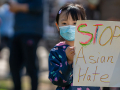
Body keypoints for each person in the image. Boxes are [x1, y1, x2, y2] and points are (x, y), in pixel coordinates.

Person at [48, 3, 100, 90]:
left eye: (75, 23)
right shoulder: (56, 51)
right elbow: (56, 80)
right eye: (64, 23)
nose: (69, 27)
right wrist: (67, 61)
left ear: (84, 25)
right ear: (57, 26)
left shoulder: (93, 49)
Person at [9, 0, 43, 90]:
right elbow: (11, 8)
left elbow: (37, 7)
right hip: (17, 32)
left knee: (30, 65)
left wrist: (17, 7)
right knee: (13, 63)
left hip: (31, 32)